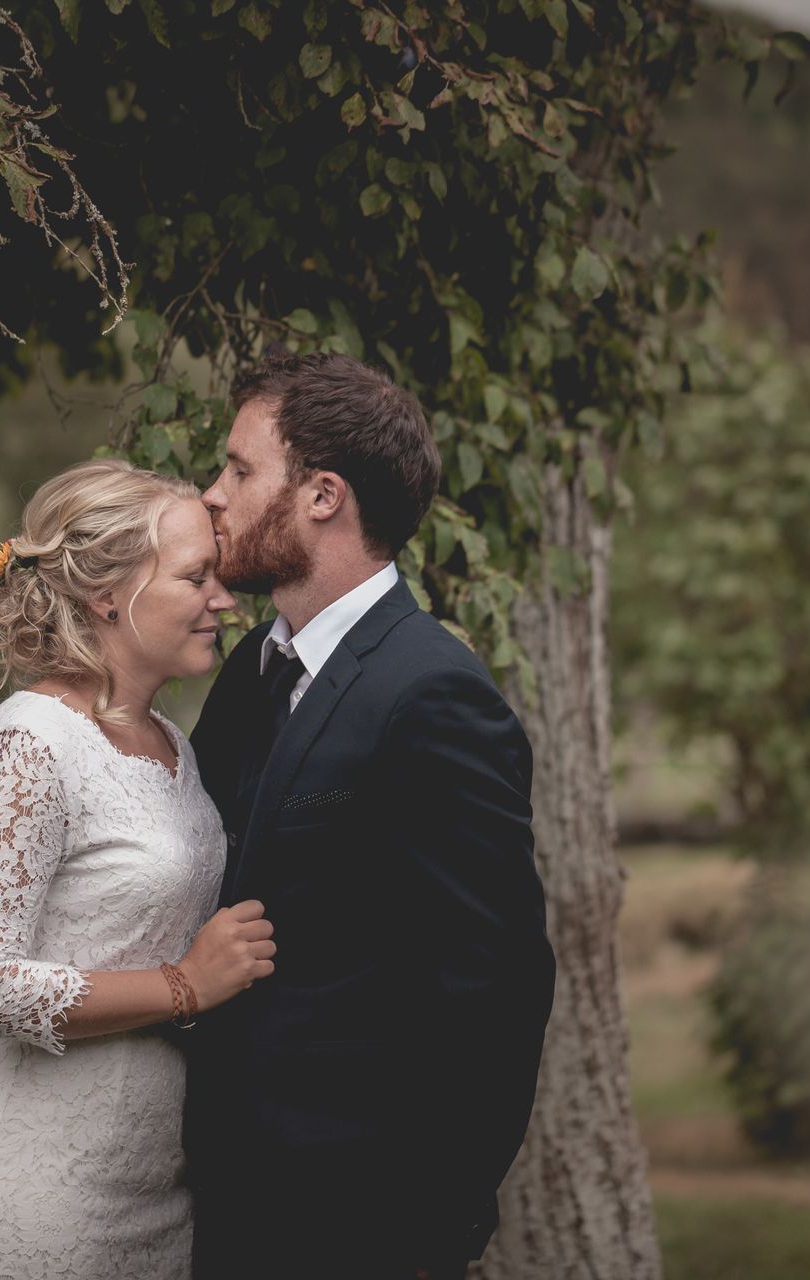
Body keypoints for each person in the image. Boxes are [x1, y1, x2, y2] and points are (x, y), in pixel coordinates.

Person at [184, 352, 556, 1280]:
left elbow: (495, 991)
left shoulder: (433, 695)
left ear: (322, 495)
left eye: (238, 469)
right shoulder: (248, 674)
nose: (212, 495)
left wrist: (428, 1231)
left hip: (362, 1223)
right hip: (228, 1207)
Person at [0, 458, 275, 1280]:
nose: (223, 600)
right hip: (30, 1180)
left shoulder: (174, 746)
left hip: (153, 1185)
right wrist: (183, 984)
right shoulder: (29, 743)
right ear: (107, 595)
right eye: (195, 577)